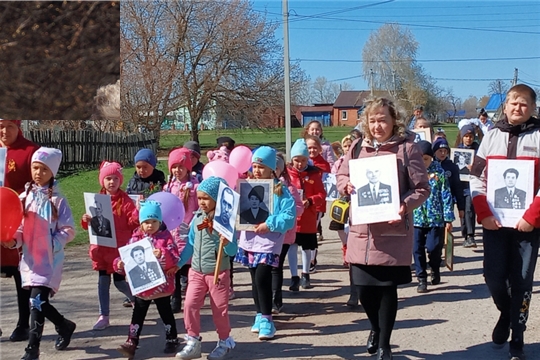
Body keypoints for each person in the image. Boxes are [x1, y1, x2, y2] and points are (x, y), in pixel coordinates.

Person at [337, 96, 430, 360]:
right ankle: (376, 329)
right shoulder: (355, 148)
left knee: (387, 289)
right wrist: (346, 185)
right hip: (362, 232)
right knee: (364, 291)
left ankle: (384, 345)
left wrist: (404, 205)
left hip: (392, 231)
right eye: (373, 120)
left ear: (394, 121)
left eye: (383, 120)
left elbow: (422, 189)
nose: (378, 126)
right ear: (366, 122)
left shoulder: (407, 149)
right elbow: (341, 175)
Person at [469, 84, 540, 360]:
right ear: (505, 105)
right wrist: (483, 213)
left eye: (523, 104)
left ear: (532, 107)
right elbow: (476, 177)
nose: (517, 108)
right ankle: (505, 313)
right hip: (494, 223)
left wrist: (532, 216)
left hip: (527, 225)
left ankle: (517, 338)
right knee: (494, 277)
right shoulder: (492, 135)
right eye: (513, 103)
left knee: (522, 280)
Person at [2, 147, 77, 360]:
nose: (38, 173)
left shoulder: (58, 200)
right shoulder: (25, 197)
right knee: (37, 302)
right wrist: (12, 241)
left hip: (50, 260)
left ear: (52, 172)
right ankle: (64, 325)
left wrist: (53, 243)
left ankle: (32, 350)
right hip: (30, 260)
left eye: (44, 169)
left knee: (36, 302)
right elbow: (19, 228)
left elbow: (68, 229)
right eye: (35, 168)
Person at [235, 146, 296, 340]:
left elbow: (288, 217)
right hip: (250, 240)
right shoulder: (247, 187)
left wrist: (269, 224)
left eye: (261, 167)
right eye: (254, 166)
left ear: (272, 168)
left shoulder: (280, 190)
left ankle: (268, 318)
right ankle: (259, 314)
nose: (257, 170)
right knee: (254, 279)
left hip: (269, 242)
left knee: (263, 277)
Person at [175, 176, 238, 360]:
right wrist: (178, 264)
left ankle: (224, 341)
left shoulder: (225, 222)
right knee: (189, 304)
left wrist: (226, 243)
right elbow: (190, 245)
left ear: (217, 199)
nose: (201, 202)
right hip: (196, 271)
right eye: (199, 198)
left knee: (219, 309)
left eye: (205, 198)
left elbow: (233, 250)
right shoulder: (197, 219)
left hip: (218, 273)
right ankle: (193, 340)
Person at [114, 200, 180, 358]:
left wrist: (162, 253)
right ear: (141, 223)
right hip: (142, 287)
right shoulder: (135, 238)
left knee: (165, 312)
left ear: (160, 221)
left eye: (154, 222)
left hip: (161, 286)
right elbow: (126, 256)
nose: (150, 225)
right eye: (146, 222)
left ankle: (172, 338)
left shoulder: (165, 238)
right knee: (138, 314)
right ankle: (132, 340)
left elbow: (174, 255)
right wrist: (120, 264)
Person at [81, 161, 138, 330]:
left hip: (118, 248)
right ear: (102, 181)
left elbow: (132, 222)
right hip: (101, 248)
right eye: (108, 178)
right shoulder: (96, 200)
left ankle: (135, 298)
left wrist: (137, 215)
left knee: (119, 281)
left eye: (115, 178)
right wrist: (85, 221)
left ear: (120, 180)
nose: (111, 182)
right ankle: (103, 315)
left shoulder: (125, 201)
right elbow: (90, 225)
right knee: (102, 282)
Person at [0, 119, 39, 343]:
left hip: (18, 221)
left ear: (18, 127)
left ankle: (23, 323)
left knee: (20, 274)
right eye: (0, 126)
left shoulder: (30, 151)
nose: (5, 131)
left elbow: (38, 182)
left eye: (9, 126)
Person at [413, 141, 454, 293]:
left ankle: (435, 267)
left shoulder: (439, 173)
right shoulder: (412, 173)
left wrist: (448, 218)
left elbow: (446, 195)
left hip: (435, 219)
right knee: (417, 249)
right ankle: (421, 278)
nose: (423, 162)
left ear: (431, 158)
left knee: (433, 247)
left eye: (426, 159)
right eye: (420, 159)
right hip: (416, 218)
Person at [164, 147, 199, 313]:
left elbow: (199, 208)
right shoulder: (168, 187)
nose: (177, 170)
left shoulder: (194, 187)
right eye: (174, 167)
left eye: (181, 167)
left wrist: (193, 223)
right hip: (172, 233)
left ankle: (192, 299)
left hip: (188, 232)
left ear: (187, 168)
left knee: (188, 268)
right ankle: (175, 298)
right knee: (174, 267)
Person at [287, 139, 326, 290]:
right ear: (292, 160)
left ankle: (305, 274)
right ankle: (293, 276)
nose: (300, 164)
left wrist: (310, 200)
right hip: (292, 216)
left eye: (303, 160)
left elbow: (321, 193)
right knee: (292, 246)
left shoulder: (314, 174)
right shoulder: (288, 174)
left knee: (306, 247)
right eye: (297, 160)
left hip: (308, 215)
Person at [271, 152, 304, 313]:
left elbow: (299, 207)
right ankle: (269, 300)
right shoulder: (260, 185)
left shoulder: (288, 187)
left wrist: (289, 211)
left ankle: (276, 302)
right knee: (268, 267)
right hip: (265, 234)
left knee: (275, 266)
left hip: (284, 235)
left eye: (276, 168)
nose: (273, 170)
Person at [330, 134, 359, 307]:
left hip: (372, 210)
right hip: (349, 207)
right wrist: (345, 185)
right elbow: (338, 180)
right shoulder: (343, 163)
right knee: (353, 249)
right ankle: (354, 292)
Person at [455, 124, 480, 248]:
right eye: (466, 136)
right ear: (462, 137)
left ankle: (470, 236)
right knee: (463, 210)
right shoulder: (457, 151)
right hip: (460, 185)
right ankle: (465, 235)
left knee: (470, 209)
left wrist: (474, 167)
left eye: (470, 136)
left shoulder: (478, 151)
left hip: (472, 184)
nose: (468, 139)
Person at [432, 138, 465, 224]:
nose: (443, 153)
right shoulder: (430, 166)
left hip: (448, 201)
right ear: (434, 151)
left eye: (445, 151)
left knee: (446, 226)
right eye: (440, 151)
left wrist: (461, 208)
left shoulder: (452, 167)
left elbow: (457, 187)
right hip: (434, 202)